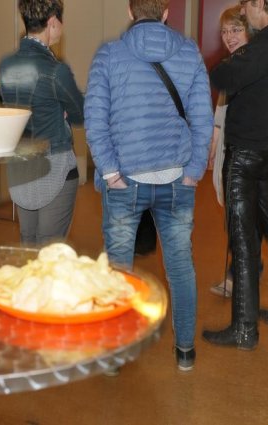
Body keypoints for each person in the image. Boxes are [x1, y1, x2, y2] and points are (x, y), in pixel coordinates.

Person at [85, 0, 213, 371]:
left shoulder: (109, 55)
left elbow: (95, 119)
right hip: (177, 179)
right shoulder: (189, 53)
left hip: (125, 181)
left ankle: (114, 356)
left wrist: (110, 172)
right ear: (166, 13)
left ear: (130, 11)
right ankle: (185, 351)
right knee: (180, 267)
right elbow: (203, 118)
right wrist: (193, 171)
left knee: (118, 268)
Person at [202, 0, 268, 350]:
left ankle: (244, 329)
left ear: (260, 4)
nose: (244, 10)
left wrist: (224, 61)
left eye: (247, 4)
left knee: (243, 239)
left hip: (247, 154)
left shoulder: (265, 42)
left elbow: (222, 76)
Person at [0, 0, 84, 246]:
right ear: (53, 22)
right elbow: (80, 115)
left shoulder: (5, 66)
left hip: (21, 164)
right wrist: (63, 110)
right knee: (50, 248)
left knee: (28, 243)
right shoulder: (56, 70)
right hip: (55, 164)